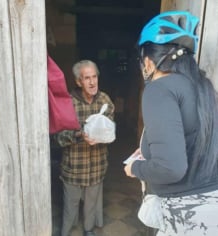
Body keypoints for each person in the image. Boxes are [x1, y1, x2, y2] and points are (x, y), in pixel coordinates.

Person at [124, 11, 218, 235]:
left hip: (186, 217)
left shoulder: (159, 88)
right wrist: (148, 148)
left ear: (148, 61)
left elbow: (171, 168)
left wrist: (134, 168)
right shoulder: (204, 88)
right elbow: (193, 140)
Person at [52, 60, 115, 236]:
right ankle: (66, 231)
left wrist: (102, 136)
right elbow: (58, 138)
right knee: (70, 203)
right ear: (79, 82)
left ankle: (88, 230)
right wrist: (78, 135)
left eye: (94, 77)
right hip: (74, 167)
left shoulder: (105, 101)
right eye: (87, 78)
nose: (92, 82)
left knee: (91, 202)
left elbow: (111, 131)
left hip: (96, 165)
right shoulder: (68, 104)